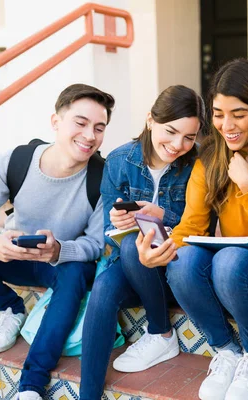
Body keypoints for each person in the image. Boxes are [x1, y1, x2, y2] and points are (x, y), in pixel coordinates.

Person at [137, 59, 248, 400]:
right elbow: (190, 224)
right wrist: (158, 248)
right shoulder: (211, 159)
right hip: (230, 267)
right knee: (183, 260)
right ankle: (226, 350)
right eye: (218, 113)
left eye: (239, 113)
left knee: (230, 261)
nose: (226, 124)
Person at [0, 84, 115, 400]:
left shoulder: (102, 177)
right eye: (80, 122)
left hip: (58, 265)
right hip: (13, 257)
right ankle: (10, 307)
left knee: (75, 272)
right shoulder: (16, 161)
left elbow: (95, 243)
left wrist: (60, 249)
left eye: (99, 128)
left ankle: (31, 385)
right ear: (56, 122)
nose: (90, 135)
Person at [78, 85, 205, 400]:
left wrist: (163, 215)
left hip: (178, 263)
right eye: (171, 132)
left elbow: (204, 224)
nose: (178, 145)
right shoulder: (120, 160)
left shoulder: (198, 163)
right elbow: (108, 226)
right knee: (106, 286)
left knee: (138, 242)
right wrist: (119, 225)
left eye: (189, 137)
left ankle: (161, 332)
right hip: (134, 265)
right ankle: (88, 395)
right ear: (150, 120)